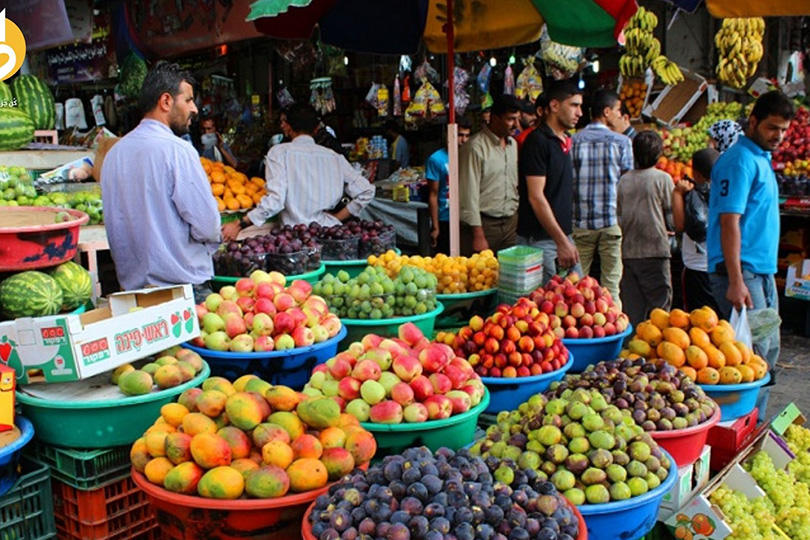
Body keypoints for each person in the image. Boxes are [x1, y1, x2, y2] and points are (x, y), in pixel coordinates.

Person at [101, 62, 221, 301]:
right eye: (188, 100)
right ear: (166, 101)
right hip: (183, 292)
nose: (194, 109)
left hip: (134, 295)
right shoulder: (177, 150)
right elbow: (208, 225)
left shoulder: (115, 154)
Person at [708, 90, 795, 364]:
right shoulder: (739, 161)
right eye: (772, 128)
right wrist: (736, 281)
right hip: (742, 272)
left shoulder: (761, 157)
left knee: (767, 351)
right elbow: (728, 222)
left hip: (761, 271)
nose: (778, 136)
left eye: (783, 130)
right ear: (753, 121)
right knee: (752, 357)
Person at [221, 104, 374, 239]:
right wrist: (337, 218)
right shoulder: (334, 157)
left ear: (287, 126)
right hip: (330, 235)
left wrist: (239, 224)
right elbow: (367, 191)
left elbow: (275, 201)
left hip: (295, 238)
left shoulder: (279, 153)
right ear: (316, 128)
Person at [571, 89, 634, 305]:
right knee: (611, 287)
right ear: (606, 112)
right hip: (611, 222)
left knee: (575, 288)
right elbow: (627, 183)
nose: (620, 115)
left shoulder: (573, 141)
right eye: (617, 110)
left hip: (580, 223)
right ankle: (613, 323)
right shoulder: (622, 142)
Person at [517, 80, 583, 284]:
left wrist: (564, 240)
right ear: (554, 105)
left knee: (577, 294)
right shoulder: (537, 141)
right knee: (549, 300)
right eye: (574, 105)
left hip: (561, 237)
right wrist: (561, 241)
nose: (579, 113)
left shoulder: (565, 140)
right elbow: (536, 197)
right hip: (540, 241)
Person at [616, 131, 674, 327]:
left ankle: (632, 343)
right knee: (660, 308)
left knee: (633, 309)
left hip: (629, 252)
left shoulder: (624, 180)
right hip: (656, 251)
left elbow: (619, 215)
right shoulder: (662, 179)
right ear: (659, 154)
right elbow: (671, 217)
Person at [459, 94, 521, 255]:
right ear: (494, 118)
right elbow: (468, 195)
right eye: (511, 119)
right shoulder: (475, 147)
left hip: (510, 223)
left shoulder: (513, 145)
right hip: (484, 225)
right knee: (481, 270)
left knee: (509, 269)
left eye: (517, 119)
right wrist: (478, 234)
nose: (516, 125)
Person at [672, 148, 721, 312]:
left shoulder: (691, 195)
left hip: (696, 268)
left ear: (696, 174)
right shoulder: (727, 192)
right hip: (722, 268)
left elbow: (679, 225)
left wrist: (677, 194)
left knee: (697, 318)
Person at [426, 116, 472, 255]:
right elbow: (433, 195)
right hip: (445, 217)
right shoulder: (436, 159)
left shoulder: (470, 156)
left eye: (467, 136)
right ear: (449, 135)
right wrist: (435, 227)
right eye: (460, 135)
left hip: (466, 217)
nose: (464, 140)